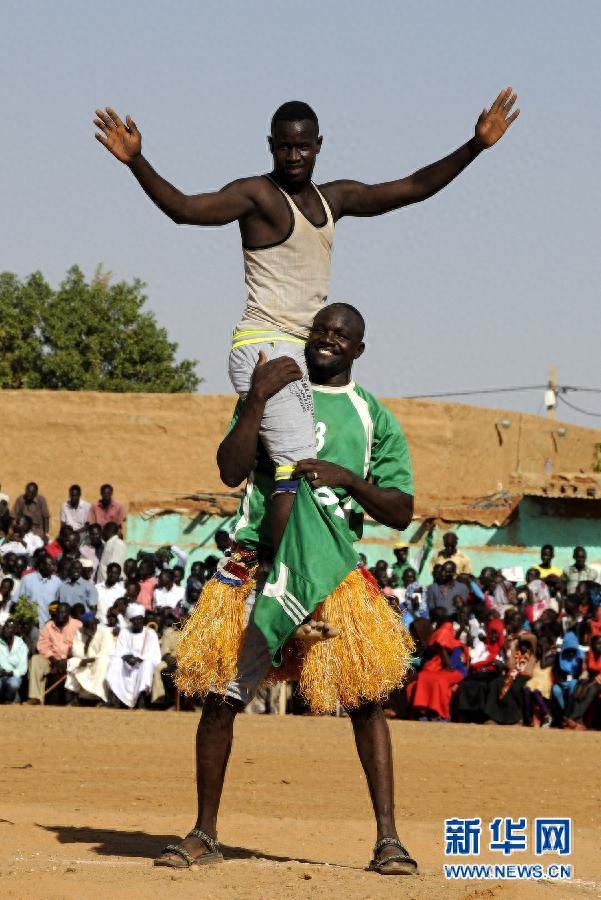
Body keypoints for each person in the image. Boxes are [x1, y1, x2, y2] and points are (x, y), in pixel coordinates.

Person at [95, 89, 518, 550]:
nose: (293, 155)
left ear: (319, 145)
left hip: (300, 349)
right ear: (270, 145)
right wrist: (137, 161)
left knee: (300, 466)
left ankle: (279, 568)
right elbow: (184, 209)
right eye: (284, 146)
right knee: (297, 467)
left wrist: (474, 146)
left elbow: (411, 188)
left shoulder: (334, 199)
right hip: (264, 344)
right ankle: (285, 581)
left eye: (303, 146)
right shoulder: (256, 195)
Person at [159, 304, 417, 875]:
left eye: (341, 335)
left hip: (330, 574)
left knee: (367, 703)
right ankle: (204, 832)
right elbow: (230, 470)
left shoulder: (372, 416)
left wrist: (348, 477)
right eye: (320, 330)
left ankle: (389, 841)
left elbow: (401, 510)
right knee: (222, 696)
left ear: (358, 349)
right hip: (257, 566)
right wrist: (255, 398)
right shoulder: (273, 392)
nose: (327, 339)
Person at [406, 619, 468, 721]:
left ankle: (441, 712)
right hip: (439, 672)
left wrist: (441, 649)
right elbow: (428, 664)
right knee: (424, 676)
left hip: (456, 671)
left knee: (438, 681)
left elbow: (450, 667)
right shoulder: (432, 647)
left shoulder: (456, 647)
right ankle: (424, 710)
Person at [105, 603, 161, 708]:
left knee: (147, 664)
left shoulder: (150, 633)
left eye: (140, 619)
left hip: (143, 664)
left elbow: (154, 655)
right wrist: (127, 658)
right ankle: (115, 697)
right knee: (115, 662)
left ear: (143, 620)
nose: (137, 622)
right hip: (128, 664)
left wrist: (140, 659)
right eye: (134, 619)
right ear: (131, 620)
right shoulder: (125, 632)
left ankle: (141, 698)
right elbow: (119, 651)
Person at [27, 602, 82, 705]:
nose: (59, 615)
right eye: (58, 612)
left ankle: (76, 700)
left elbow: (81, 646)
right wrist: (53, 659)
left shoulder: (78, 625)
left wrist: (68, 660)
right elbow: (42, 646)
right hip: (52, 660)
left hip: (71, 661)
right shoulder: (49, 626)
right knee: (35, 660)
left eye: (63, 612)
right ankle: (35, 697)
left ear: (68, 614)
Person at [65, 614, 114, 705]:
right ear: (85, 626)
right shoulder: (80, 632)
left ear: (95, 624)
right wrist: (87, 644)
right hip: (85, 660)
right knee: (73, 661)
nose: (91, 628)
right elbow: (76, 651)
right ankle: (74, 697)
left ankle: (100, 697)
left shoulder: (105, 632)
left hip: (99, 661)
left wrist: (90, 660)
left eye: (93, 625)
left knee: (103, 661)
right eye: (88, 626)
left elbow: (107, 652)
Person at [19, 553, 61, 628]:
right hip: (28, 625)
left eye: (53, 565)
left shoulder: (57, 582)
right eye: (50, 565)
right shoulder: (27, 579)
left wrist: (52, 619)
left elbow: (57, 602)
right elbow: (19, 600)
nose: (53, 567)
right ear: (41, 566)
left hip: (47, 625)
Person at [0, 619, 28, 703]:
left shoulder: (21, 645)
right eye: (5, 627)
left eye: (10, 628)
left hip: (13, 676)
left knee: (14, 683)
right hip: (0, 676)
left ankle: (9, 701)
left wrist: (11, 673)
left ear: (14, 631)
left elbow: (23, 669)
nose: (6, 630)